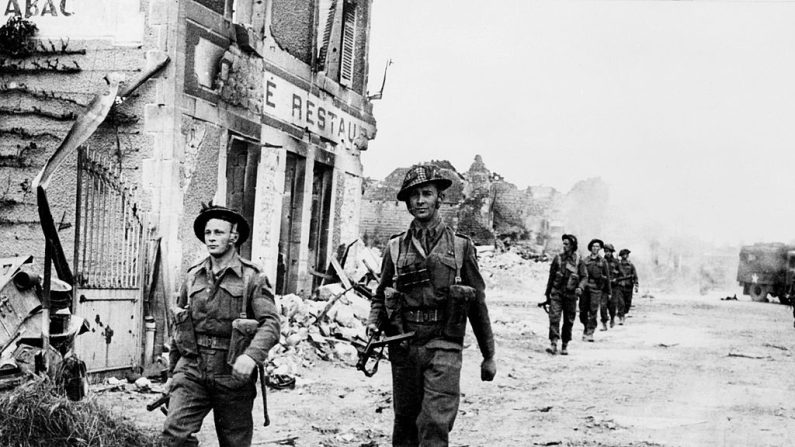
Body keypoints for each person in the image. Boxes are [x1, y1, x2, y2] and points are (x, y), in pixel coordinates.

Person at [367, 164, 497, 446]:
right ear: (407, 202)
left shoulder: (461, 247)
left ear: (440, 198)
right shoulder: (395, 247)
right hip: (404, 344)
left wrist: (489, 355)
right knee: (404, 422)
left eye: (427, 193)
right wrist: (372, 325)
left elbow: (477, 303)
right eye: (414, 196)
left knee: (435, 423)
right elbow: (381, 294)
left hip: (444, 343)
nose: (420, 200)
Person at [162, 205, 280, 447]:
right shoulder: (193, 276)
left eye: (218, 232)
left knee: (234, 442)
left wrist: (251, 357)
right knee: (175, 435)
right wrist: (172, 373)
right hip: (192, 367)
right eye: (208, 233)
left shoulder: (252, 277)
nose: (212, 238)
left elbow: (271, 324)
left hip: (232, 371)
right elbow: (180, 326)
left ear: (233, 237)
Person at [544, 234, 587, 354]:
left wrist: (580, 287)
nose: (564, 246)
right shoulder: (557, 259)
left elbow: (584, 277)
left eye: (567, 244)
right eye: (564, 243)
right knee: (554, 318)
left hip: (571, 295)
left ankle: (565, 344)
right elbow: (551, 278)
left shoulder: (579, 261)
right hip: (557, 293)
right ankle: (553, 342)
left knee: (568, 320)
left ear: (573, 246)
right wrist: (547, 295)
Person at [580, 239, 611, 340]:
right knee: (583, 310)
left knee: (593, 310)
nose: (595, 248)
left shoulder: (603, 261)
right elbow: (581, 275)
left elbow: (607, 277)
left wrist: (609, 291)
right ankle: (585, 327)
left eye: (597, 246)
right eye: (593, 246)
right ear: (590, 248)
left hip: (597, 289)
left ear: (600, 248)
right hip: (585, 288)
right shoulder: (585, 261)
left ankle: (590, 331)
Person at [603, 243, 624, 327]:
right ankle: (604, 321)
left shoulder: (616, 262)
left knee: (612, 305)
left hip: (614, 287)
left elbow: (622, 274)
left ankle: (612, 319)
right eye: (605, 251)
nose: (607, 253)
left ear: (611, 252)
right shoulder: (601, 261)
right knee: (603, 306)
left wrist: (616, 279)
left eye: (608, 251)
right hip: (604, 287)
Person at [618, 249, 639, 317]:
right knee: (621, 303)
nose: (625, 256)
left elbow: (635, 276)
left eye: (626, 255)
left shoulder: (631, 265)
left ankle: (624, 313)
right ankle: (621, 316)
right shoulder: (618, 265)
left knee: (628, 303)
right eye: (623, 255)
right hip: (620, 286)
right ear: (621, 256)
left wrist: (636, 285)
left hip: (629, 286)